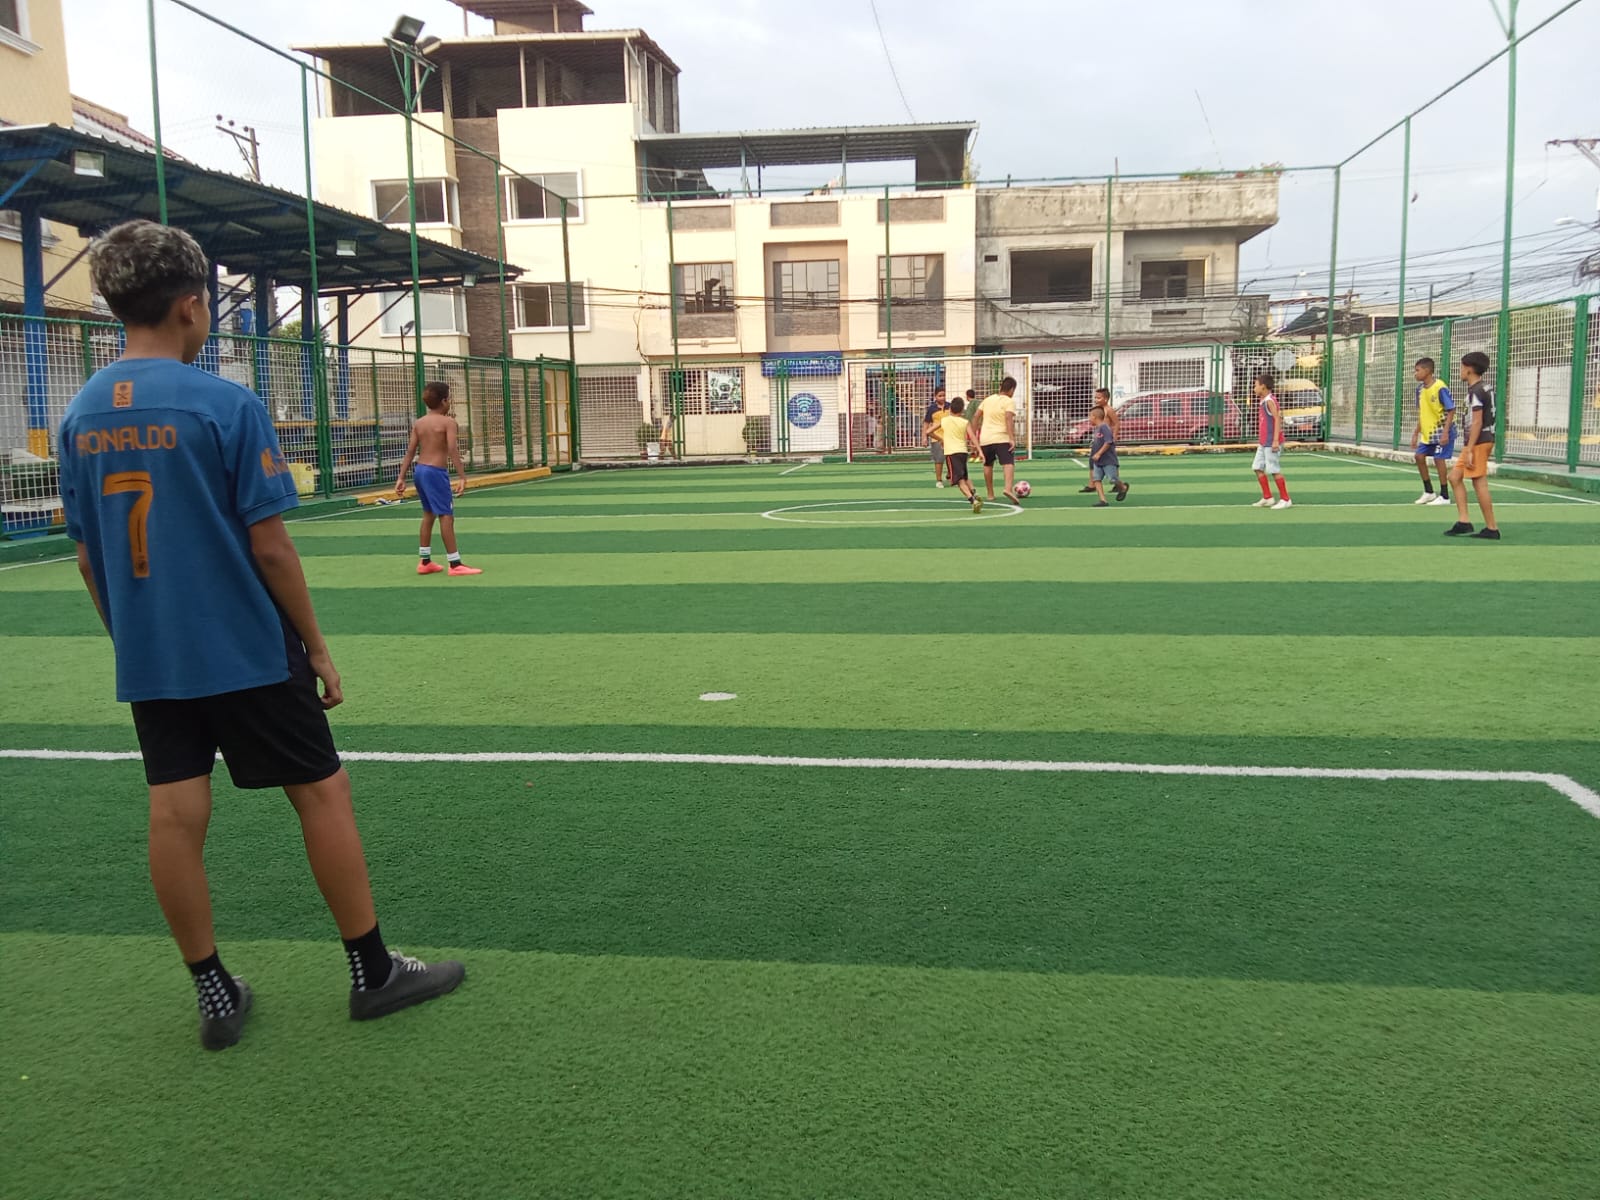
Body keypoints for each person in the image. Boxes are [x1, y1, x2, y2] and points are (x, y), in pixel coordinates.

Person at [57, 220, 464, 1052]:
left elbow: (88, 557)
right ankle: (373, 973)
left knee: (175, 812)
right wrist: (316, 646)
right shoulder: (223, 404)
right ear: (190, 305)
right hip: (244, 642)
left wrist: (129, 639)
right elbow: (270, 546)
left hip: (153, 653)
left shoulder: (79, 415)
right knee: (321, 791)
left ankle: (214, 991)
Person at [395, 382, 482, 576]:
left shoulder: (419, 423)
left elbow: (410, 451)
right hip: (435, 472)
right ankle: (455, 563)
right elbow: (452, 449)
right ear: (444, 401)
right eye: (449, 398)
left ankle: (425, 561)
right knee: (446, 516)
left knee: (428, 514)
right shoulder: (448, 422)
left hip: (420, 470)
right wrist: (462, 476)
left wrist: (401, 477)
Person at [1444, 351, 1500, 540]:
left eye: (1462, 367)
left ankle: (1492, 528)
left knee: (1479, 481)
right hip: (1480, 440)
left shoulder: (1476, 391)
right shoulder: (1485, 388)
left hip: (1479, 442)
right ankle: (1464, 522)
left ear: (1469, 369)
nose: (1460, 370)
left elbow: (1476, 421)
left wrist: (1469, 448)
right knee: (1454, 477)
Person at [1409, 357, 1456, 506]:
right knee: (1419, 456)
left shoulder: (1440, 387)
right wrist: (1416, 433)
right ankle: (1429, 492)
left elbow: (1451, 410)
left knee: (1438, 459)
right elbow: (1423, 413)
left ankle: (1445, 496)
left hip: (1442, 430)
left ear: (1427, 370)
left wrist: (1445, 432)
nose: (1415, 373)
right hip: (1428, 433)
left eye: (1417, 370)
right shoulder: (1420, 390)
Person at [972, 375, 1022, 506]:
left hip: (985, 438)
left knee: (988, 465)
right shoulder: (1009, 401)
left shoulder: (988, 399)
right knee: (1008, 463)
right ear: (1011, 389)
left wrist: (974, 435)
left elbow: (976, 416)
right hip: (1002, 437)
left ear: (1000, 387)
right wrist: (1011, 438)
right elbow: (1008, 418)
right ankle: (1007, 488)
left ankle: (990, 494)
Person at [1250, 371, 1291, 510]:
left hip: (1271, 442)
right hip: (1263, 442)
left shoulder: (1270, 401)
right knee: (1257, 467)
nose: (1254, 388)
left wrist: (1275, 440)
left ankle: (1285, 499)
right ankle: (1268, 497)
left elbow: (1277, 419)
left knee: (1273, 469)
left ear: (1263, 386)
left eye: (1256, 385)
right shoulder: (1263, 401)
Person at [940, 396, 984, 513]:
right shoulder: (965, 422)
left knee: (959, 481)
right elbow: (972, 437)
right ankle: (974, 493)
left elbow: (929, 431)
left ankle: (973, 500)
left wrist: (941, 439)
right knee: (965, 477)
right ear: (962, 410)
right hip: (963, 452)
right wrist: (980, 451)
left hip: (951, 452)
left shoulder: (945, 420)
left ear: (950, 408)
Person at [1087, 406, 1129, 506]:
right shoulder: (1097, 429)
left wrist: (1099, 453)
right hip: (1098, 461)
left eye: (1090, 416)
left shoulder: (1104, 427)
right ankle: (1103, 500)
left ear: (1094, 417)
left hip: (1108, 459)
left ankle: (1123, 487)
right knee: (1096, 479)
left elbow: (1108, 442)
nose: (1089, 419)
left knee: (1112, 479)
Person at [1082, 387, 1115, 492]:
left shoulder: (1109, 410)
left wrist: (1114, 436)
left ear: (1106, 399)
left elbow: (1116, 423)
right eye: (1095, 398)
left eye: (1099, 398)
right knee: (1093, 461)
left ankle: (1117, 483)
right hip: (1099, 440)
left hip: (1106, 440)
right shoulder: (1098, 410)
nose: (1096, 400)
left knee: (1110, 462)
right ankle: (1092, 484)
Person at [922, 385, 952, 487]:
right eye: (940, 396)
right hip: (937, 438)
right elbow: (926, 423)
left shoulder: (950, 406)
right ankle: (939, 480)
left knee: (952, 459)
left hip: (950, 437)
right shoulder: (932, 409)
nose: (942, 398)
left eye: (944, 395)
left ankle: (951, 476)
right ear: (935, 396)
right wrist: (924, 437)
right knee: (939, 460)